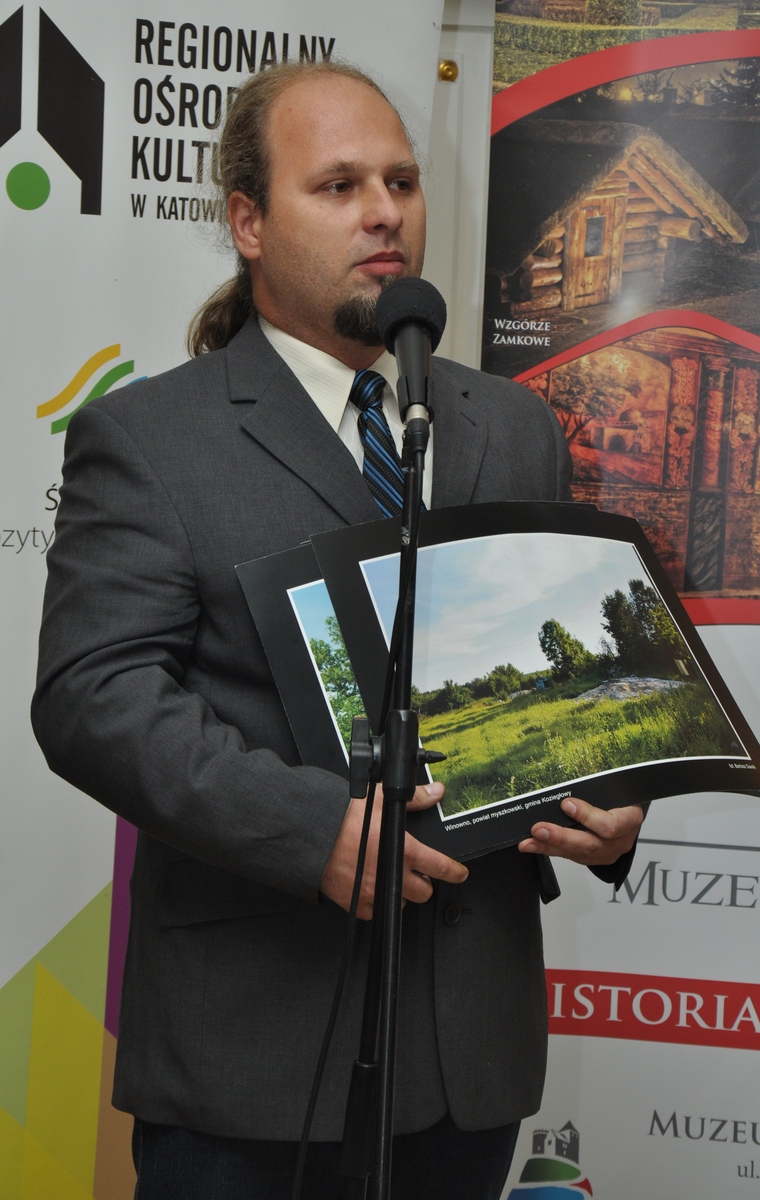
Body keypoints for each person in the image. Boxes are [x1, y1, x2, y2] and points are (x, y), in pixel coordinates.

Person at [32, 61, 644, 1200]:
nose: (383, 212)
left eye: (401, 182)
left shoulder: (511, 427)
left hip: (468, 1056)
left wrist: (609, 802)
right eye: (338, 185)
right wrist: (311, 829)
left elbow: (554, 657)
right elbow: (92, 697)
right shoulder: (151, 438)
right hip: (250, 1053)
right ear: (248, 223)